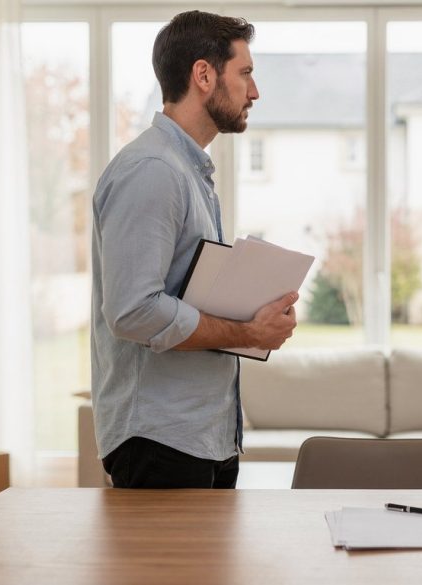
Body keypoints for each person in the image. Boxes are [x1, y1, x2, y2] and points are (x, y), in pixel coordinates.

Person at [91, 11, 298, 489]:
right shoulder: (153, 171)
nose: (255, 91)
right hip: (161, 440)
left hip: (203, 435)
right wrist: (247, 331)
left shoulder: (187, 172)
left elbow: (182, 292)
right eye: (245, 73)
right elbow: (133, 311)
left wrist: (256, 312)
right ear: (203, 75)